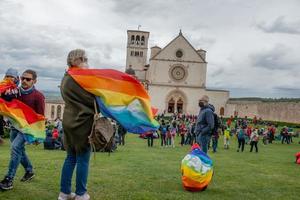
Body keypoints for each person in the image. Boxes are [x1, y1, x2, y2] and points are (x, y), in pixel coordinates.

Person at [0, 69, 45, 191]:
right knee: (20, 150)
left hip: (27, 130)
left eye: (28, 79)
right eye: (23, 78)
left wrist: (39, 136)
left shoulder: (38, 96)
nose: (24, 81)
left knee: (15, 148)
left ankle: (9, 179)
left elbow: (40, 117)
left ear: (34, 81)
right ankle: (29, 171)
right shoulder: (15, 91)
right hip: (14, 127)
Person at [58, 49, 93, 200]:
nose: (85, 61)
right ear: (74, 60)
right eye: (82, 58)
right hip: (81, 123)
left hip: (69, 121)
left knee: (71, 158)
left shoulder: (66, 78)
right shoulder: (76, 79)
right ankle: (81, 194)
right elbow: (91, 100)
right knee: (83, 159)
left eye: (85, 58)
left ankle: (64, 193)